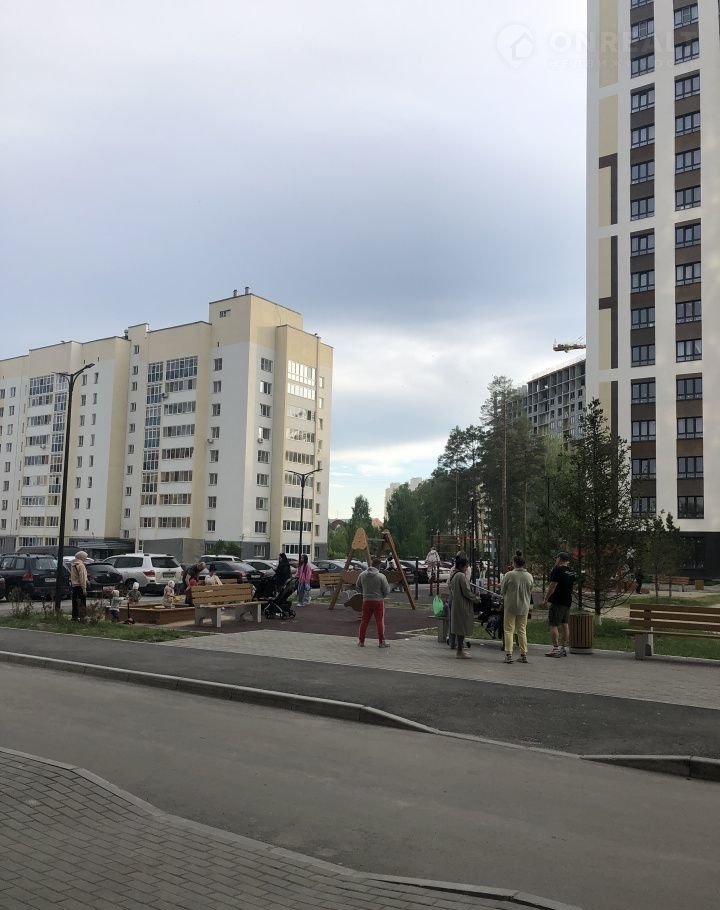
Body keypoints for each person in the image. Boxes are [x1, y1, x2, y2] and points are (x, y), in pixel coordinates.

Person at [501, 551, 534, 664]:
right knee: (522, 630)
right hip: (524, 606)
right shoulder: (529, 576)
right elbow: (530, 590)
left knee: (508, 630)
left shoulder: (509, 575)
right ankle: (523, 654)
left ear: (514, 562)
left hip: (510, 606)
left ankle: (508, 654)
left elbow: (503, 590)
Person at [448, 556, 482, 658]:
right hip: (462, 605)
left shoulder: (453, 575)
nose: (467, 568)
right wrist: (476, 599)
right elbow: (466, 591)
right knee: (461, 628)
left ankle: (460, 650)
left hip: (456, 604)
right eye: (466, 566)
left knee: (459, 628)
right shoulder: (461, 576)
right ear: (462, 566)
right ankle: (460, 651)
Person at [543, 552, 576, 657]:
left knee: (553, 624)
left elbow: (553, 586)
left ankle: (555, 648)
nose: (555, 560)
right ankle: (563, 648)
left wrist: (546, 598)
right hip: (567, 601)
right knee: (565, 624)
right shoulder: (571, 572)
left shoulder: (557, 570)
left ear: (560, 559)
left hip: (557, 601)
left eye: (556, 558)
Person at [356, 559, 391, 648]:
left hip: (366, 601)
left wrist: (364, 593)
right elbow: (386, 590)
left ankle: (361, 641)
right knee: (379, 622)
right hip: (378, 601)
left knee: (364, 621)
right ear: (378, 566)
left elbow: (358, 586)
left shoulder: (362, 575)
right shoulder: (381, 576)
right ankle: (381, 642)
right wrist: (382, 596)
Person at [70, 551, 89, 622]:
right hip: (80, 586)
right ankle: (82, 617)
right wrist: (84, 588)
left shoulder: (73, 564)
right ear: (81, 557)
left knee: (75, 603)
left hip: (74, 586)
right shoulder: (81, 565)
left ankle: (74, 617)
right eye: (85, 557)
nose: (85, 559)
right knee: (82, 602)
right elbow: (82, 578)